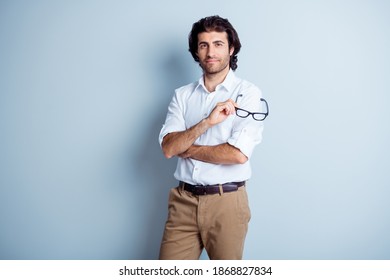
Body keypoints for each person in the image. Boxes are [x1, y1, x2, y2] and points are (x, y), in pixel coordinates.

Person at [158, 15, 265, 260]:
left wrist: (189, 148)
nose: (210, 52)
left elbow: (237, 154)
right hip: (183, 203)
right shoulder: (182, 96)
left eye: (218, 44)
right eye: (204, 45)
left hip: (226, 203)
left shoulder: (248, 94)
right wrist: (207, 122)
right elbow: (169, 148)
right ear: (196, 51)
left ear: (231, 48)